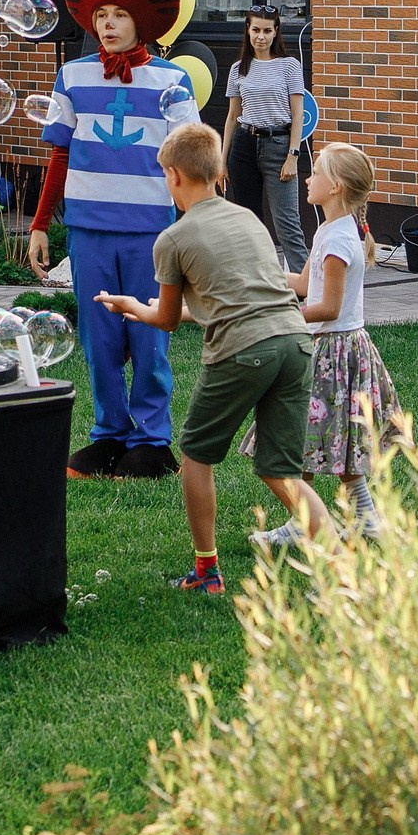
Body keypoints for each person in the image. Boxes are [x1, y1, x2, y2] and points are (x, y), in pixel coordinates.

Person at [96, 123, 335, 594]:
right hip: (293, 341)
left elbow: (165, 319)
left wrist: (132, 308)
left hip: (242, 350)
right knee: (278, 469)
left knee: (196, 455)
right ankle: (343, 565)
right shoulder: (247, 219)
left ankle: (207, 572)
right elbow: (233, 296)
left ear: (174, 176)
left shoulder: (173, 239)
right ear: (219, 171)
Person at [24, 0, 201, 481]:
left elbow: (193, 159)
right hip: (90, 230)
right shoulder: (71, 78)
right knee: (101, 341)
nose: (108, 24)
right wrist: (41, 223)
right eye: (100, 14)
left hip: (152, 230)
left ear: (140, 18)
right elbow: (59, 157)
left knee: (150, 340)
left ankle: (152, 439)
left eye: (119, 13)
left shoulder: (170, 81)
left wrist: (196, 223)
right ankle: (107, 434)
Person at [242, 141, 402, 546]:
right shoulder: (333, 230)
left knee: (303, 437)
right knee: (330, 438)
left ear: (335, 187)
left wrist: (282, 317)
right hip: (338, 349)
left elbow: (327, 307)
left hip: (332, 352)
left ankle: (302, 525)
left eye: (315, 173)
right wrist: (261, 280)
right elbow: (303, 285)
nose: (307, 178)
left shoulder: (338, 241)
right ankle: (364, 518)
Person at [221, 5, 306, 270]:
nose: (261, 36)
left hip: (279, 146)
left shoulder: (289, 66)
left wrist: (293, 156)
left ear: (276, 32)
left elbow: (298, 114)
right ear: (247, 30)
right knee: (249, 222)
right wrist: (222, 161)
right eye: (256, 30)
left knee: (287, 222)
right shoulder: (238, 69)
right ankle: (258, 281)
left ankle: (307, 288)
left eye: (267, 31)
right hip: (244, 147)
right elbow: (233, 116)